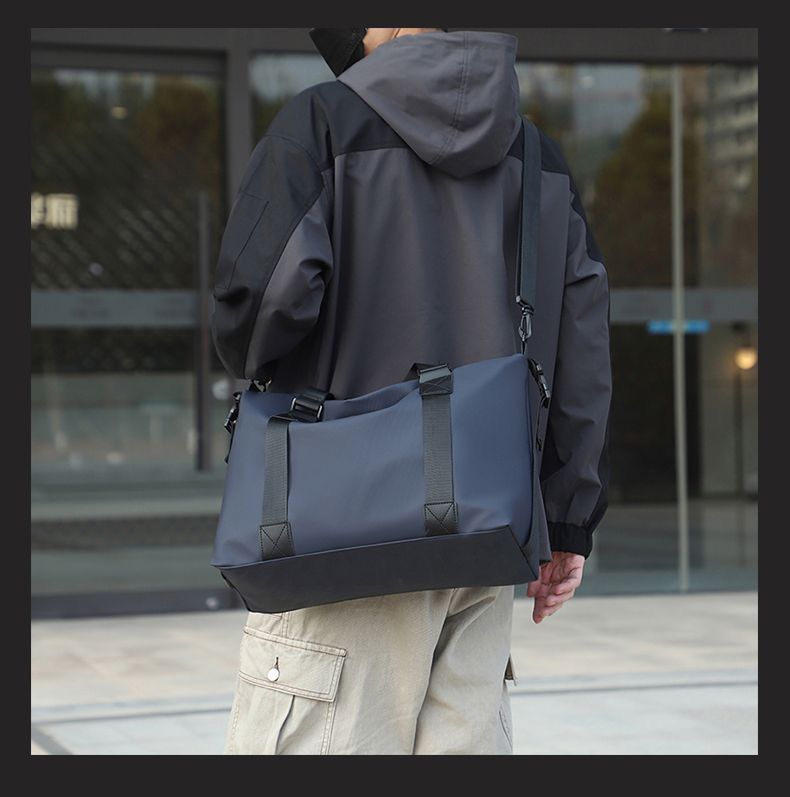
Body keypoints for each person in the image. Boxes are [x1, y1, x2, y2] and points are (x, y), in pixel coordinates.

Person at [211, 27, 612, 755]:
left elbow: (260, 312)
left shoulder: (320, 124)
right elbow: (580, 351)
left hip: (339, 536)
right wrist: (568, 520)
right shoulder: (537, 158)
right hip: (482, 538)